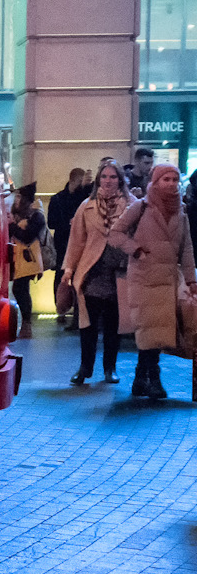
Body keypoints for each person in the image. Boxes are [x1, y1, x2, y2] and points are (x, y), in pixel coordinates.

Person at [109, 164, 196, 400]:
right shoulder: (141, 206)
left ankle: (141, 377)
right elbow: (116, 234)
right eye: (166, 179)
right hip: (144, 278)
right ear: (155, 182)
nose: (171, 184)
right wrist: (136, 250)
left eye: (174, 180)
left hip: (167, 280)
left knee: (156, 330)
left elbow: (186, 248)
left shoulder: (181, 211)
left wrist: (191, 280)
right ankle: (153, 378)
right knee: (150, 329)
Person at [60, 163, 138, 387]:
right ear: (98, 180)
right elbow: (76, 241)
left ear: (120, 180)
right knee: (88, 324)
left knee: (114, 325)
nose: (108, 180)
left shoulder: (132, 205)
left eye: (113, 176)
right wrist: (69, 269)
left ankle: (110, 368)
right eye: (104, 176)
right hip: (92, 272)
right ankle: (85, 367)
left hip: (120, 272)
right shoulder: (87, 206)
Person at [49, 168, 91, 327]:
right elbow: (51, 222)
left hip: (72, 242)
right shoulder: (59, 199)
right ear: (74, 180)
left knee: (74, 277)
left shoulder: (83, 198)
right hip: (64, 242)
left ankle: (73, 314)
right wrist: (69, 224)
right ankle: (61, 308)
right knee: (62, 276)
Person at [7, 183, 46, 340]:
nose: (16, 200)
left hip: (28, 260)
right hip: (18, 259)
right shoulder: (19, 214)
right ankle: (25, 325)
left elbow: (27, 236)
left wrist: (12, 225)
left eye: (19, 197)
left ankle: (27, 325)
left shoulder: (37, 216)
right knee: (20, 290)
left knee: (21, 289)